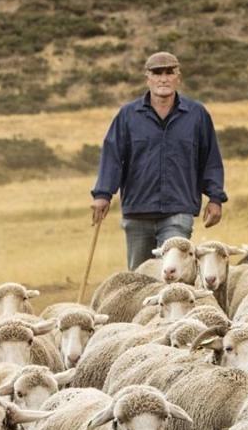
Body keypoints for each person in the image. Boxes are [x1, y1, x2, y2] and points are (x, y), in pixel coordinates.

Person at [91, 51, 228, 270]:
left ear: (178, 77)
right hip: (138, 210)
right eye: (157, 73)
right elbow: (113, 156)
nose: (163, 78)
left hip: (178, 210)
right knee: (139, 279)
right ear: (148, 78)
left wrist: (215, 197)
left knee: (172, 274)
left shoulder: (197, 115)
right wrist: (102, 194)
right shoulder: (128, 115)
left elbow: (210, 158)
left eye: (169, 72)